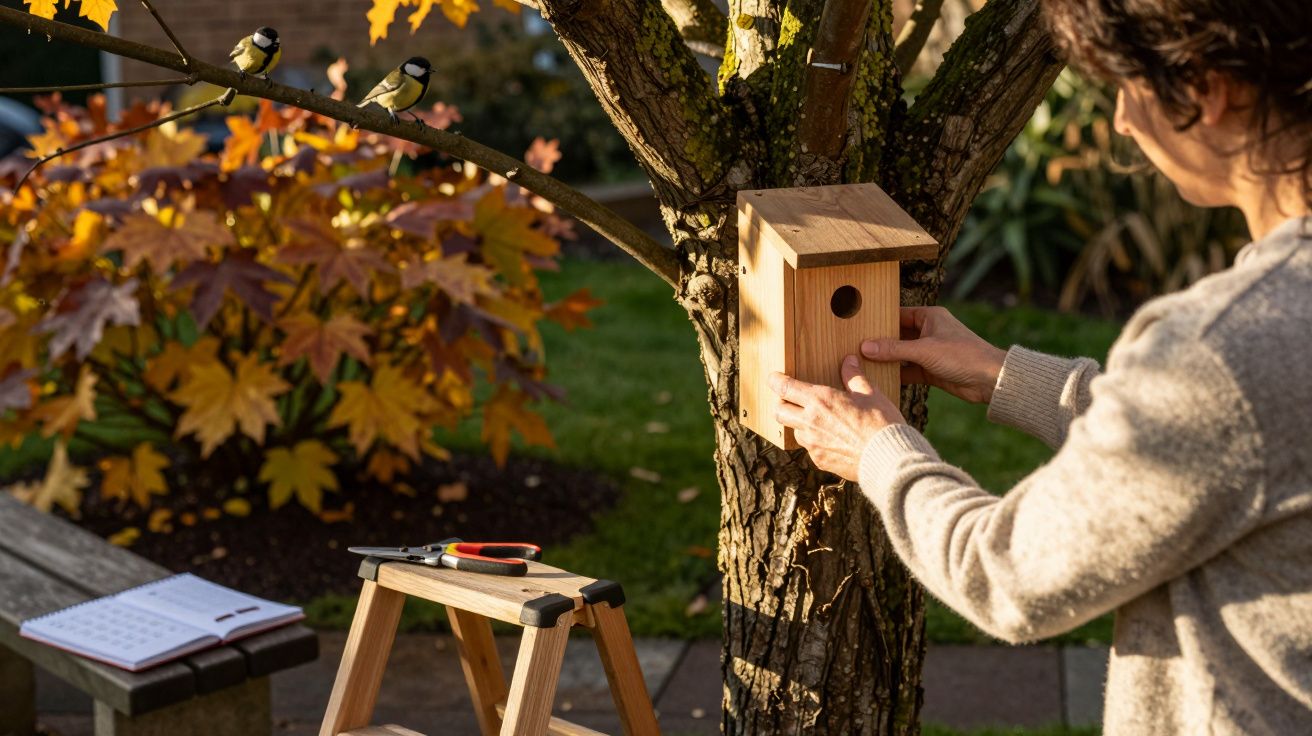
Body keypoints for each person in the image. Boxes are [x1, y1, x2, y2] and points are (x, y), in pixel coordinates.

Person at [768, 1, 1312, 733]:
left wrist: (878, 456)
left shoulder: (1224, 349)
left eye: (1127, 85)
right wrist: (1006, 376)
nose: (1121, 119)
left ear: (1209, 89)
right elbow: (1244, 450)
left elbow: (1009, 576)